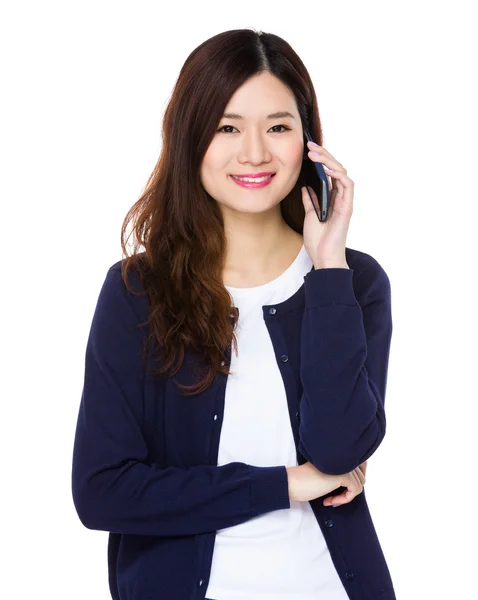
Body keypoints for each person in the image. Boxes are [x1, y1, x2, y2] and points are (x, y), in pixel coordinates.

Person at [71, 28, 395, 600]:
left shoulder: (352, 282)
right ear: (189, 137)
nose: (254, 152)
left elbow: (342, 449)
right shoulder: (137, 292)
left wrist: (328, 268)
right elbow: (103, 492)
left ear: (308, 142)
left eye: (278, 127)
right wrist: (287, 484)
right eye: (227, 127)